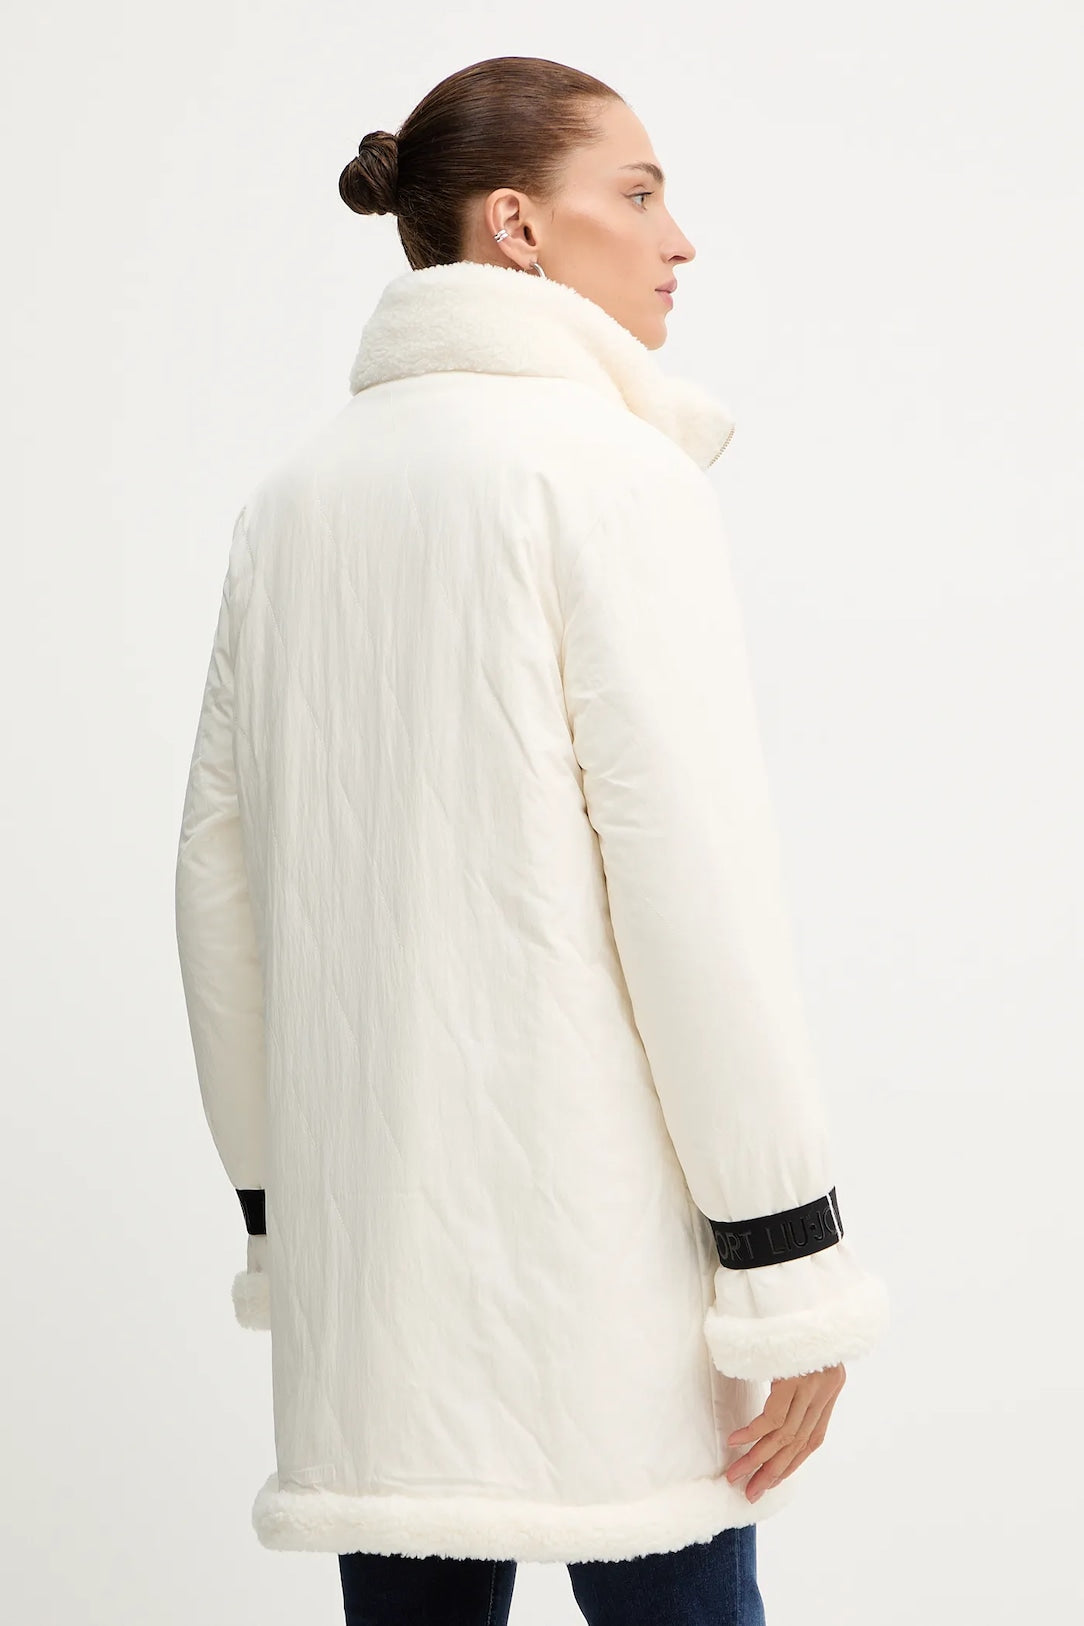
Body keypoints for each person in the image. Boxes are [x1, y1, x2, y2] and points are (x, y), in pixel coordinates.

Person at [174, 53, 890, 1626]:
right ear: (517, 225)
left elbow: (217, 903)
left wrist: (288, 1221)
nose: (679, 238)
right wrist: (787, 1270)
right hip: (608, 1274)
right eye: (637, 193)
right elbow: (696, 899)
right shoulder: (613, 476)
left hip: (376, 1280)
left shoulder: (290, 504)